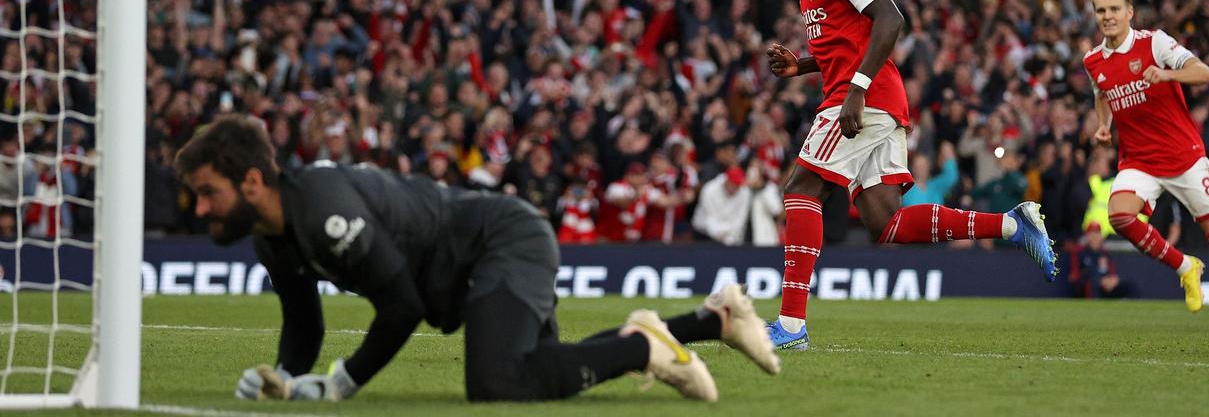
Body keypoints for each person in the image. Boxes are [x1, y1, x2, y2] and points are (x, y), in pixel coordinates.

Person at [175, 115, 779, 404]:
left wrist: (341, 383)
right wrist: (283, 375)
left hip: (502, 242)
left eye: (209, 192)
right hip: (469, 265)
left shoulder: (322, 209)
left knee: (495, 384)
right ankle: (712, 321)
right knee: (544, 366)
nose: (201, 209)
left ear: (252, 181)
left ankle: (647, 345)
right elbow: (304, 321)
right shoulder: (269, 232)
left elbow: (401, 305)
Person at [764, 0, 1057, 350]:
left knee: (801, 189)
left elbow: (890, 18)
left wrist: (856, 90)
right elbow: (849, 42)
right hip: (872, 96)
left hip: (863, 100)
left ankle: (791, 327)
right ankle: (1013, 223)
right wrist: (802, 66)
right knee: (888, 223)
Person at [1084, 0, 1209, 332]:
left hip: (1183, 156)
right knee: (1120, 216)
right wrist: (1103, 125)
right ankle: (1186, 267)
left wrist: (1166, 74)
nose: (1108, 16)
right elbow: (1102, 92)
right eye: (1101, 10)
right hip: (1138, 160)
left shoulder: (1154, 43)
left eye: (1114, 9)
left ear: (1129, 12)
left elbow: (1204, 72)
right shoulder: (1093, 59)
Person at [1067, 221, 1125, 298]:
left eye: (1097, 233)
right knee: (1092, 283)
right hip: (1086, 283)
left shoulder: (1105, 253)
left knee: (1125, 285)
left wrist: (1112, 279)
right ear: (1087, 236)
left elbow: (1111, 271)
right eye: (1092, 233)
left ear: (1101, 236)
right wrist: (1100, 280)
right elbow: (1075, 274)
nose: (1095, 237)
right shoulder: (1079, 252)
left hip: (1105, 283)